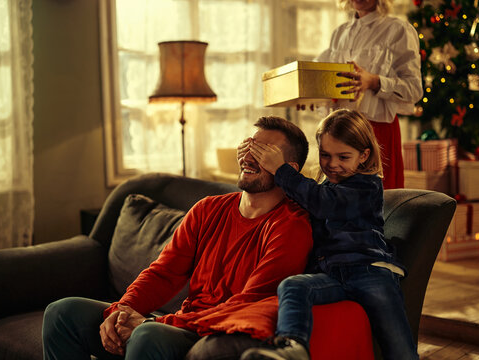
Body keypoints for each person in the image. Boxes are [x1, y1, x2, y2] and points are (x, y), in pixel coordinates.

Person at [42, 116, 313, 360]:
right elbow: (163, 273)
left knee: (147, 336)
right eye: (248, 147)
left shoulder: (291, 226)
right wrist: (122, 310)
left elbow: (248, 302)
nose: (249, 158)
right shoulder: (207, 208)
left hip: (211, 330)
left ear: (288, 169)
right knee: (62, 313)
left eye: (263, 153)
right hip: (179, 321)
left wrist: (155, 325)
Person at [238, 109, 418, 360]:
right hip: (331, 275)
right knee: (292, 285)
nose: (333, 164)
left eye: (343, 157)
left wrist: (281, 169)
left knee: (399, 348)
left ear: (364, 156)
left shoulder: (367, 187)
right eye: (325, 155)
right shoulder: (323, 187)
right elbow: (301, 204)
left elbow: (323, 203)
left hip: (370, 272)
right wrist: (252, 158)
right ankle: (292, 348)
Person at [317, 0, 423, 189]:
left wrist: (374, 82)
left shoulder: (398, 30)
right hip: (339, 134)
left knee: (378, 204)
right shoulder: (339, 33)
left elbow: (414, 89)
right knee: (340, 201)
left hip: (376, 133)